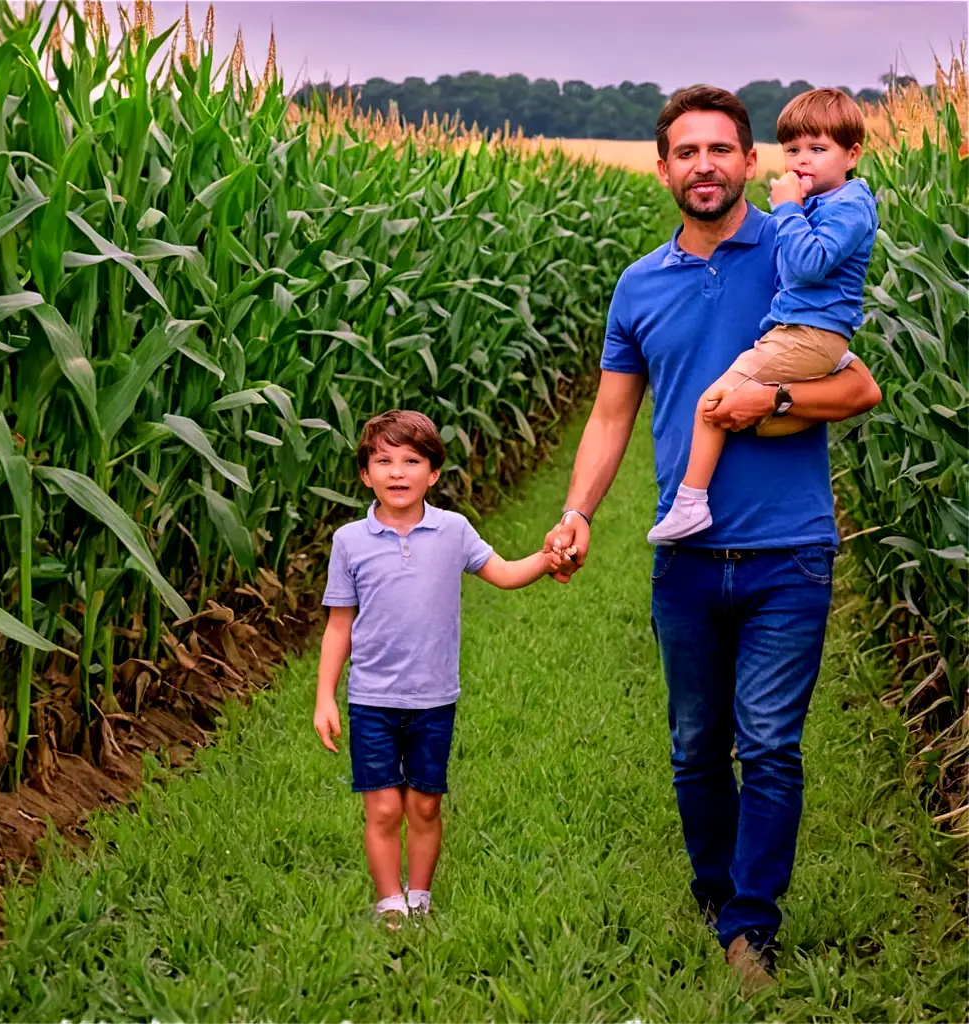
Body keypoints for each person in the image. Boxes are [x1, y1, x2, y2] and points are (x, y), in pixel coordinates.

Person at [544, 86, 881, 992]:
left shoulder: (796, 248)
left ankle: (751, 928)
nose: (704, 166)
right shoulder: (639, 285)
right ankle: (715, 892)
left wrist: (766, 399)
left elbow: (859, 390)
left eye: (721, 150)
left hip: (789, 550)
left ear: (749, 161)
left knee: (768, 743)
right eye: (686, 152)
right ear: (662, 168)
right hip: (687, 558)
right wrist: (576, 511)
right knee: (697, 743)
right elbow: (611, 417)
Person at [314, 409, 568, 928]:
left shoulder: (453, 531)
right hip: (371, 700)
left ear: (433, 473)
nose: (398, 472)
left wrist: (546, 558)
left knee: (425, 806)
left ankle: (420, 895)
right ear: (365, 474)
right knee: (383, 809)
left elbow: (503, 573)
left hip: (433, 699)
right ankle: (390, 903)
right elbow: (340, 626)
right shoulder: (350, 541)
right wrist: (325, 697)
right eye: (383, 461)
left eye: (412, 460)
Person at [648, 88, 879, 544]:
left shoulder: (848, 205)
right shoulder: (825, 204)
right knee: (748, 412)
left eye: (817, 149)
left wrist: (788, 208)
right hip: (803, 333)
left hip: (808, 334)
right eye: (792, 150)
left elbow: (809, 263)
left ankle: (690, 501)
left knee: (712, 404)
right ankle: (784, 417)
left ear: (852, 155)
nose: (801, 161)